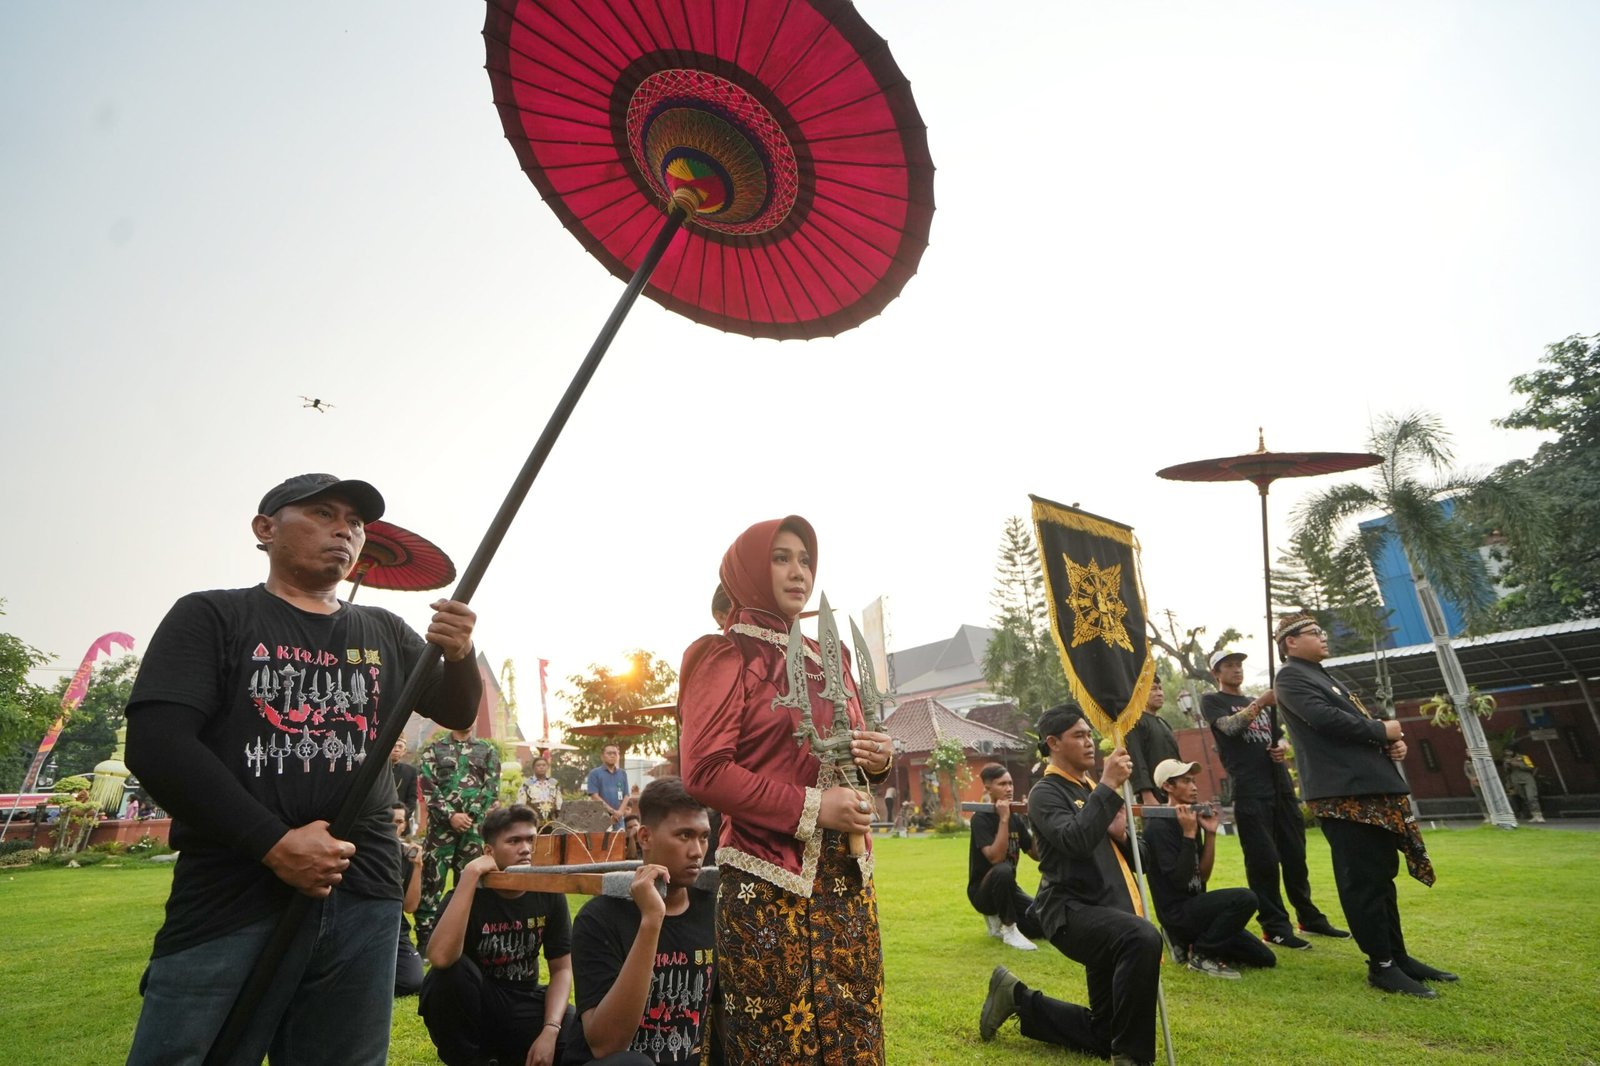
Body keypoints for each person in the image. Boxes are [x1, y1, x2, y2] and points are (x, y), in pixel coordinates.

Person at [123, 472, 481, 1065]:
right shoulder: (212, 616)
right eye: (321, 513)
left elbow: (456, 707)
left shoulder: (385, 631)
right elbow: (159, 746)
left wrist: (461, 654)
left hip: (362, 889)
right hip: (231, 891)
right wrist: (273, 843)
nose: (345, 529)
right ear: (266, 529)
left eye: (357, 523)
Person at [679, 515, 894, 1064]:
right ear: (749, 567)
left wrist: (878, 758)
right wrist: (816, 807)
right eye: (781, 558)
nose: (798, 571)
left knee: (853, 1026)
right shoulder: (726, 655)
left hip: (846, 880)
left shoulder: (835, 655)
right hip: (765, 880)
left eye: (804, 558)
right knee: (779, 1037)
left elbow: (846, 752)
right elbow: (704, 771)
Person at [1274, 615, 1456, 999]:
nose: (1323, 638)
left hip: (1368, 787)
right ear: (1290, 642)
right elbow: (1326, 720)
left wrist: (1391, 744)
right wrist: (1381, 731)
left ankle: (1399, 957)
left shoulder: (1324, 675)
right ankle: (1381, 966)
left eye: (1322, 632)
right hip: (1344, 795)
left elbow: (1357, 722)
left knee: (1382, 876)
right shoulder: (1290, 678)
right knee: (1362, 880)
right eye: (1314, 633)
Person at [979, 703, 1162, 1066]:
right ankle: (1132, 1058)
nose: (1090, 742)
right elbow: (1074, 841)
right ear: (1053, 742)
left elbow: (1143, 860)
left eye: (1089, 735)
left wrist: (1122, 832)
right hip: (1071, 913)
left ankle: (1015, 996)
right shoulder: (1046, 793)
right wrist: (1108, 788)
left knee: (1104, 1032)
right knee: (1142, 937)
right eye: (1079, 735)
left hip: (1110, 912)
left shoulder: (1096, 789)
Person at [1201, 649, 1345, 950]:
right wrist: (1259, 703)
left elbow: (1278, 735)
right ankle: (1275, 926)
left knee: (1295, 855)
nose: (1237, 670)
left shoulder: (1263, 703)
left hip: (1280, 786)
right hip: (1251, 790)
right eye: (1229, 666)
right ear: (1216, 673)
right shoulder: (1213, 701)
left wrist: (1280, 746)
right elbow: (1230, 728)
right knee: (1263, 861)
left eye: (1239, 664)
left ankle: (1308, 916)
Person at [567, 777, 717, 1066]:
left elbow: (720, 1015)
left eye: (703, 836)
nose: (698, 851)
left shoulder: (710, 910)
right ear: (645, 837)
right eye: (684, 836)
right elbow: (606, 1045)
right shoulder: (598, 919)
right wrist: (651, 920)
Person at [419, 804, 574, 1066]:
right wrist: (470, 875)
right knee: (447, 977)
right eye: (514, 841)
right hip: (477, 1003)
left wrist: (550, 1030)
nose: (525, 848)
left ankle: (506, 1053)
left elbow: (561, 970)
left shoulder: (549, 893)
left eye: (530, 840)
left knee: (576, 1032)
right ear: (488, 851)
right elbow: (440, 958)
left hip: (523, 1000)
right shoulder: (467, 896)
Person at [1142, 759, 1277, 978]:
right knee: (1246, 898)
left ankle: (1187, 943)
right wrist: (1187, 834)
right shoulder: (1158, 828)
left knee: (1264, 959)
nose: (1194, 787)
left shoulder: (1190, 820)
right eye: (1186, 781)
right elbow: (1180, 880)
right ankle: (1202, 955)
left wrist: (1210, 833)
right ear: (1168, 786)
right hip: (1177, 913)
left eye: (1194, 781)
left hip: (1197, 909)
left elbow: (1202, 876)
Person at [415, 723, 501, 953]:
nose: (469, 720)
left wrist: (470, 816)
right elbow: (426, 784)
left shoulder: (487, 751)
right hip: (440, 831)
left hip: (472, 831)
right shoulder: (434, 749)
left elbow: (491, 787)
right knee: (431, 882)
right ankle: (425, 939)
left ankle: (467, 938)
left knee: (470, 884)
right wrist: (450, 815)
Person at [967, 763, 1042, 950]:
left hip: (1009, 889)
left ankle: (1005, 920)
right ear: (988, 788)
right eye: (1002, 784)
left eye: (1010, 783)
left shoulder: (1015, 818)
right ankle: (1008, 929)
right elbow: (996, 859)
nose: (1009, 789)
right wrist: (1003, 819)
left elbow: (1036, 854)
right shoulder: (980, 819)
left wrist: (1037, 821)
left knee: (1042, 923)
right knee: (1002, 869)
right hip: (983, 892)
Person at [1125, 685, 1179, 805]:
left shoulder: (1163, 723)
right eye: (1153, 689)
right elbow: (1136, 759)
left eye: (1160, 688)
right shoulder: (1134, 722)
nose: (1160, 693)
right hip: (1155, 797)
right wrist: (1146, 795)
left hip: (1175, 794)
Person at [393, 802, 425, 997]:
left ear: (404, 825)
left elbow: (411, 906)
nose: (393, 827)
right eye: (388, 822)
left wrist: (417, 867)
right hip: (363, 928)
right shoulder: (363, 853)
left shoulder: (406, 856)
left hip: (396, 932)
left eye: (398, 821)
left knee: (412, 981)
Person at [587, 744, 631, 833]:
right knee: (602, 845)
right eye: (609, 753)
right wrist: (612, 812)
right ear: (602, 756)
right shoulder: (594, 773)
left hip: (619, 820)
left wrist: (619, 813)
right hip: (601, 818)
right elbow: (595, 796)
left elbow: (626, 795)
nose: (612, 755)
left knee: (619, 844)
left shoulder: (622, 773)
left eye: (615, 753)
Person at [1500, 744, 1545, 822]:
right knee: (1524, 797)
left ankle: (1539, 815)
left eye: (1509, 751)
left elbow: (1531, 767)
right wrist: (1507, 765)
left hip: (1527, 779)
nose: (1507, 753)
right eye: (1506, 752)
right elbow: (1507, 772)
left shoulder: (1523, 757)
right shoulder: (1506, 760)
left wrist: (1517, 764)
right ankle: (1533, 814)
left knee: (1531, 796)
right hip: (1516, 780)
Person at [516, 754, 564, 828]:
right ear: (533, 768)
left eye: (544, 765)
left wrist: (559, 813)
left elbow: (559, 802)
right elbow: (520, 803)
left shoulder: (554, 783)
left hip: (552, 821)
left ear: (547, 767)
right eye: (538, 765)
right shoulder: (527, 784)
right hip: (533, 821)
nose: (541, 767)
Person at [391, 736, 420, 835]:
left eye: (400, 747)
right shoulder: (378, 768)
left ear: (404, 751)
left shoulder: (410, 771)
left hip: (401, 820)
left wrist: (403, 818)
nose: (397, 749)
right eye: (394, 746)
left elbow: (412, 799)